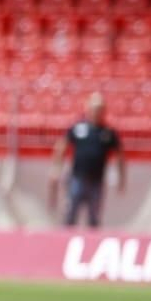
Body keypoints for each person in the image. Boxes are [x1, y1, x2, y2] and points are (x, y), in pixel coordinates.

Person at [50, 92, 125, 228]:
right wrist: (57, 168)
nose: (98, 112)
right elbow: (61, 147)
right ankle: (66, 243)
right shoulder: (78, 128)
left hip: (97, 181)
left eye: (101, 109)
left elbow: (120, 155)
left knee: (94, 217)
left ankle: (92, 245)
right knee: (70, 214)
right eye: (95, 108)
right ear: (88, 109)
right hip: (76, 179)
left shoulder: (108, 132)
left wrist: (121, 178)